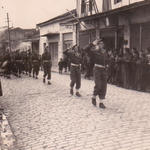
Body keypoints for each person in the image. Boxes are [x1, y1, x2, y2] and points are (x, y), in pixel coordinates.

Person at [84, 39, 108, 109]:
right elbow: (85, 49)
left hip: (104, 70)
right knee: (98, 85)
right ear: (97, 45)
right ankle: (94, 97)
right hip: (97, 69)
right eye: (100, 44)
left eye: (102, 44)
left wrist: (107, 65)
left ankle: (101, 102)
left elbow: (106, 60)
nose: (101, 45)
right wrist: (92, 43)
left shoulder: (104, 52)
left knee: (104, 86)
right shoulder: (94, 52)